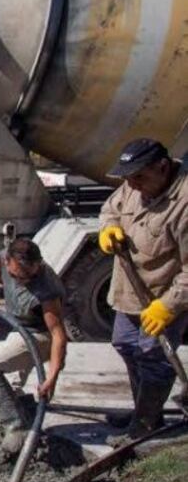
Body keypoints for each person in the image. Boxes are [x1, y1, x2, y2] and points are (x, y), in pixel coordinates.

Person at [98, 138, 187, 444]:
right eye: (127, 178)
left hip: (162, 298)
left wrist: (169, 306)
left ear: (162, 167)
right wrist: (108, 228)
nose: (131, 185)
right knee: (125, 345)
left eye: (138, 177)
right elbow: (111, 208)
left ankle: (146, 427)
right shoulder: (132, 184)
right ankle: (144, 409)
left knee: (154, 358)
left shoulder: (184, 204)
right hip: (128, 292)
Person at [0, 238, 69, 454]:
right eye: (19, 275)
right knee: (9, 388)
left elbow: (58, 335)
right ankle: (26, 417)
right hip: (20, 330)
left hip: (40, 337)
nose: (25, 280)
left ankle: (17, 427)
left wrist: (52, 377)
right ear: (9, 262)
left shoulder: (46, 287)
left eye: (30, 275)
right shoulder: (4, 257)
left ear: (38, 264)